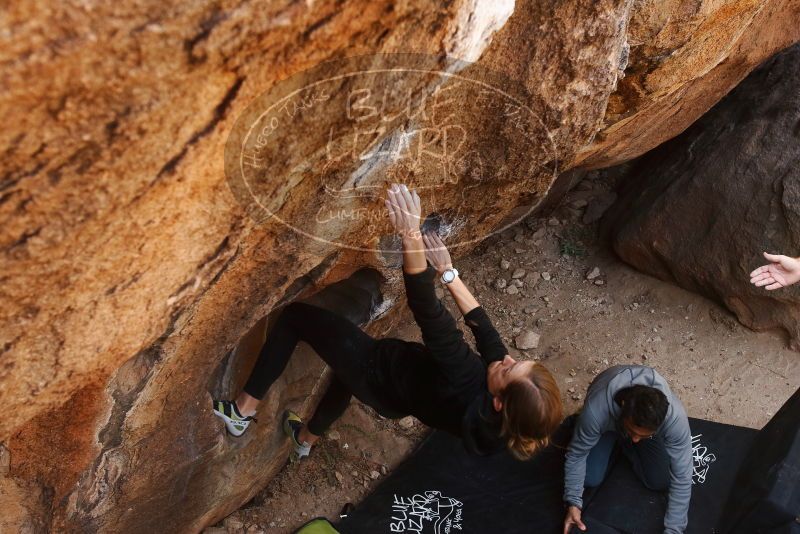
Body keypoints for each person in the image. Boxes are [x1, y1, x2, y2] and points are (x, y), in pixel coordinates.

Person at [212, 183, 563, 461]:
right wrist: (448, 273)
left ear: (499, 401)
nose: (507, 359)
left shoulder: (465, 379)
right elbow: (488, 337)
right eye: (518, 360)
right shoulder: (502, 423)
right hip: (396, 398)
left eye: (509, 370)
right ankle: (305, 440)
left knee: (293, 319)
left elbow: (427, 310)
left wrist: (409, 233)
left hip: (376, 369)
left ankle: (242, 411)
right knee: (343, 378)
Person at [562, 365, 692, 534]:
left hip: (626, 425)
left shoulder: (674, 417)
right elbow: (577, 454)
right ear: (623, 407)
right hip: (606, 424)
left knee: (660, 480)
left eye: (642, 435)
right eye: (633, 432)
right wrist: (573, 502)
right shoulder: (596, 411)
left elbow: (682, 474)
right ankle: (610, 434)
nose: (636, 439)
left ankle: (626, 441)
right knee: (589, 477)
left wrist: (674, 530)